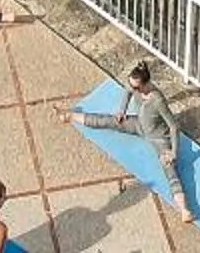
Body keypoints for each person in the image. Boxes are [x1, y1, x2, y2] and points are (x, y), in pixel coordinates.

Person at [73, 59, 192, 215]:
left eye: (135, 87)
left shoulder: (157, 100)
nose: (132, 88)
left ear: (145, 84)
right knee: (107, 121)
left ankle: (184, 210)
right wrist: (121, 110)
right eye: (131, 85)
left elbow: (173, 126)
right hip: (139, 126)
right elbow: (128, 92)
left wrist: (174, 153)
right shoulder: (135, 88)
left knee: (169, 169)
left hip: (159, 138)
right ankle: (70, 116)